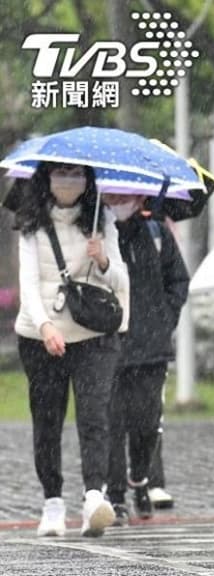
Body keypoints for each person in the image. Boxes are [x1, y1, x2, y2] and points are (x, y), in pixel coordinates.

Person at [14, 162, 130, 537]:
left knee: (94, 416)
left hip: (93, 335)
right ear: (45, 177)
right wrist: (45, 326)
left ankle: (94, 497)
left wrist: (103, 258)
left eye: (77, 173)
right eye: (61, 172)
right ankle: (52, 503)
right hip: (40, 337)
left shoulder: (102, 219)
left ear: (88, 179)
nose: (69, 180)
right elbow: (28, 283)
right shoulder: (30, 222)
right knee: (47, 421)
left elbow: (119, 280)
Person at [102, 194, 189, 525]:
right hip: (108, 345)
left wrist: (164, 319)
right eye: (115, 195)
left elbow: (178, 280)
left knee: (147, 424)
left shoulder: (156, 232)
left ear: (140, 198)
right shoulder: (96, 232)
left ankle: (139, 479)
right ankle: (115, 495)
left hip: (152, 348)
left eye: (128, 196)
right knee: (112, 424)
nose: (121, 201)